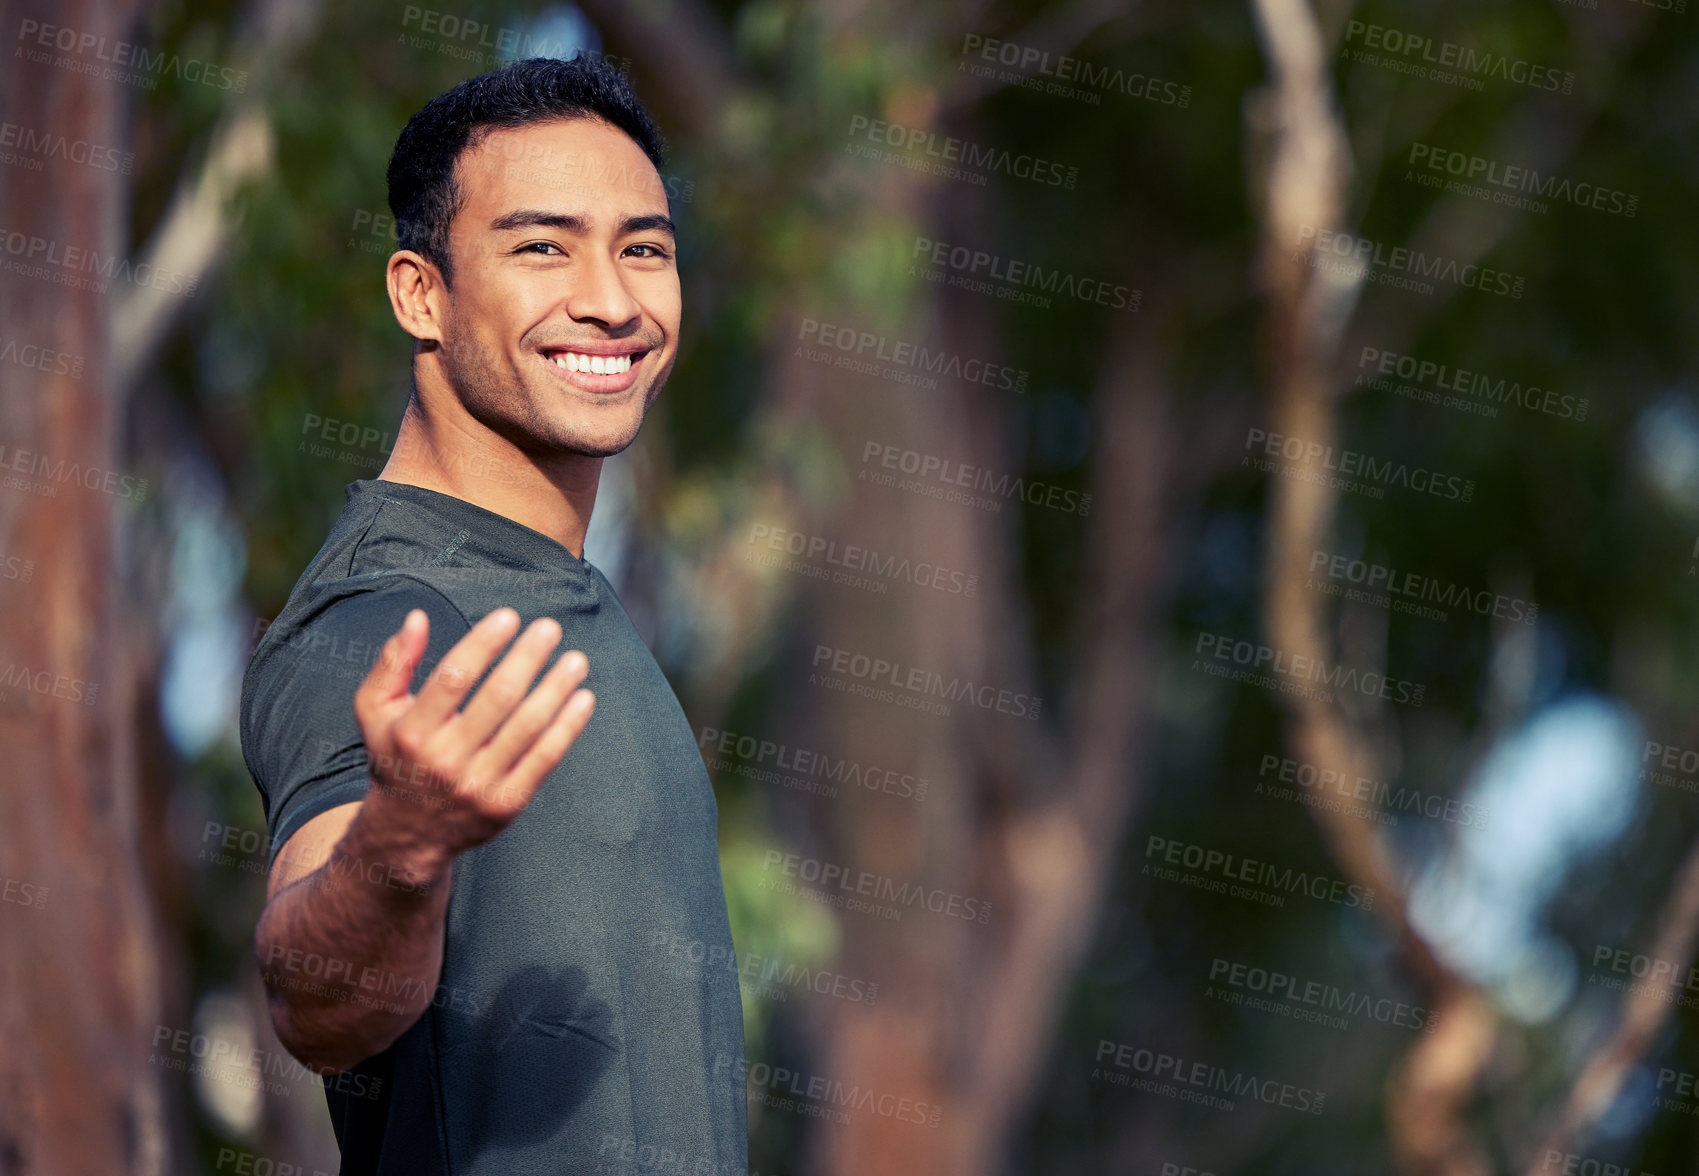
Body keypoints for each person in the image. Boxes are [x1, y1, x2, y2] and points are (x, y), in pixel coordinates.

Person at [240, 55, 747, 1175]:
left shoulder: (561, 590)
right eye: (541, 247)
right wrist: (398, 847)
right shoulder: (383, 617)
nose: (612, 300)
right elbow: (313, 1007)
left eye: (644, 249)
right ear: (421, 292)